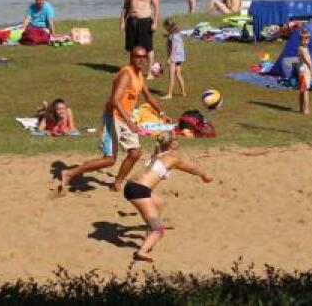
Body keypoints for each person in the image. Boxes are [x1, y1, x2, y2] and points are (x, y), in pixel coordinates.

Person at [59, 46, 165, 193]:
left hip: (125, 117)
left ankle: (117, 183)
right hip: (114, 117)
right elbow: (115, 99)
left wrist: (161, 112)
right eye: (137, 57)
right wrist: (129, 122)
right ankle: (69, 173)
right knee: (109, 160)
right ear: (131, 58)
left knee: (135, 153)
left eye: (144, 57)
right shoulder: (126, 74)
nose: (141, 60)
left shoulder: (139, 75)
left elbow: (148, 96)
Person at [123, 134, 212, 262]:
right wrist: (204, 175)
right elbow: (191, 168)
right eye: (176, 139)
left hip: (131, 185)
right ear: (172, 144)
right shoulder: (172, 158)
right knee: (159, 231)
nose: (178, 141)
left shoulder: (157, 154)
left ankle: (151, 227)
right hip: (139, 191)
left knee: (159, 203)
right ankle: (142, 251)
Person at [121, 0, 160, 78]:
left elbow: (156, 6)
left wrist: (155, 22)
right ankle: (133, 70)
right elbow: (125, 7)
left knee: (148, 48)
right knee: (131, 48)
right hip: (132, 21)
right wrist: (122, 22)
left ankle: (150, 72)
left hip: (145, 21)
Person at [161, 19, 186, 99]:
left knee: (171, 76)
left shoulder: (171, 36)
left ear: (168, 27)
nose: (164, 29)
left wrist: (170, 58)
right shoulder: (177, 34)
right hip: (180, 56)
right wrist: (167, 35)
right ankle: (183, 93)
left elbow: (173, 47)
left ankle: (169, 94)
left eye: (165, 27)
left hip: (174, 57)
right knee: (178, 74)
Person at [297, 30, 312, 114]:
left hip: (303, 70)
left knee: (302, 90)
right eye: (305, 38)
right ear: (301, 39)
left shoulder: (304, 48)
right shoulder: (302, 49)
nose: (307, 40)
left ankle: (301, 108)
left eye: (308, 38)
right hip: (305, 70)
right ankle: (306, 109)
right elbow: (307, 61)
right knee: (305, 91)